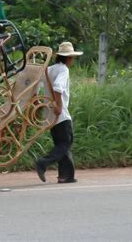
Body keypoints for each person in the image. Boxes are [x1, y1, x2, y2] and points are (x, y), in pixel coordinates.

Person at [35, 41, 83, 183]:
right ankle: (43, 162)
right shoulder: (63, 70)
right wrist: (59, 106)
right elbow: (58, 87)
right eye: (72, 58)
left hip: (49, 114)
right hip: (59, 113)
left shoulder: (49, 69)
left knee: (61, 144)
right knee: (65, 143)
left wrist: (38, 103)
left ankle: (65, 176)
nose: (72, 60)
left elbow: (36, 85)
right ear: (68, 58)